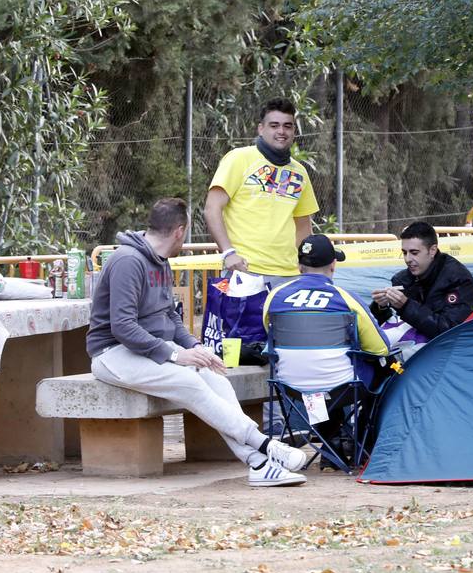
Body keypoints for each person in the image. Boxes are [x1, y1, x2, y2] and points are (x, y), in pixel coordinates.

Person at [87, 197, 311, 487]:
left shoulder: (161, 262)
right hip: (112, 354)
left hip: (149, 350)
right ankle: (265, 446)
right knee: (190, 382)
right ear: (180, 231)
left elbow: (170, 316)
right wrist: (175, 356)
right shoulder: (128, 261)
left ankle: (257, 464)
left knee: (214, 377)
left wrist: (194, 347)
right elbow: (123, 327)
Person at [264, 235, 392, 465]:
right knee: (386, 370)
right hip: (342, 386)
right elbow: (381, 348)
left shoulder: (274, 297)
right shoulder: (345, 298)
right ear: (333, 265)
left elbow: (271, 337)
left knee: (316, 383)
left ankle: (331, 444)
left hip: (291, 386)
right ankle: (361, 444)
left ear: (299, 266)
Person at [203, 98, 319, 287]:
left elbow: (303, 227)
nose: (281, 131)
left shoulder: (300, 172)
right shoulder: (239, 158)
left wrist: (307, 266)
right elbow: (211, 208)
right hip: (246, 271)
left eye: (287, 126)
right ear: (261, 128)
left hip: (289, 275)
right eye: (274, 125)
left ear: (294, 131)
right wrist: (228, 253)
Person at [370, 221, 473, 343]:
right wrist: (380, 307)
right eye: (404, 252)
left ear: (432, 250)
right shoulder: (402, 279)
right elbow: (390, 324)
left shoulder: (458, 279)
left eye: (414, 253)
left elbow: (450, 331)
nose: (407, 259)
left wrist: (406, 306)